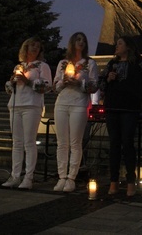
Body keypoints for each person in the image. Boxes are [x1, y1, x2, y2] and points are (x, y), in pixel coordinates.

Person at [99, 36, 142, 196]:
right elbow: (100, 82)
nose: (116, 47)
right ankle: (113, 181)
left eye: (120, 44)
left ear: (128, 47)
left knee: (128, 143)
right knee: (114, 144)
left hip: (130, 109)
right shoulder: (112, 64)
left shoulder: (139, 63)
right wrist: (108, 79)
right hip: (112, 107)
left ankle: (131, 181)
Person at [2, 37, 52, 189]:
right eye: (32, 46)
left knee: (29, 142)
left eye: (38, 46)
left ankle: (28, 178)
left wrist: (27, 80)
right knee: (17, 142)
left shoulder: (42, 66)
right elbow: (9, 89)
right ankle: (15, 176)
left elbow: (46, 86)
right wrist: (12, 82)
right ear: (25, 48)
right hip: (16, 105)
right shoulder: (20, 66)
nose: (35, 48)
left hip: (32, 105)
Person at [52, 32, 99, 192]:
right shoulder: (62, 63)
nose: (81, 42)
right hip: (62, 103)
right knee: (62, 143)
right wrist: (64, 82)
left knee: (75, 142)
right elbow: (56, 86)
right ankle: (61, 177)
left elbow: (93, 86)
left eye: (83, 40)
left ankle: (71, 178)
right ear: (72, 42)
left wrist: (79, 82)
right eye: (78, 40)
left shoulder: (90, 63)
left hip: (79, 104)